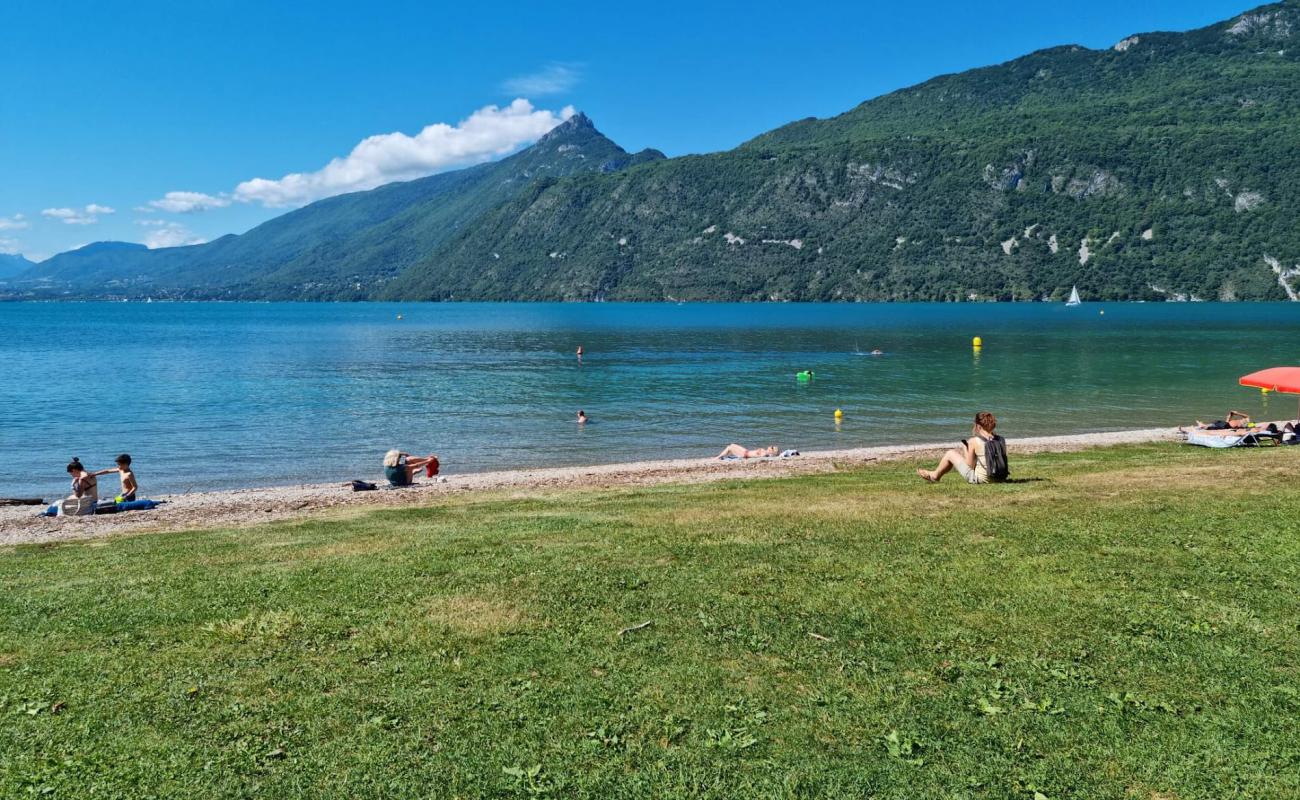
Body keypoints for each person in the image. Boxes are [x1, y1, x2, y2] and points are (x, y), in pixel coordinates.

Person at [918, 411, 1003, 484]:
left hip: (982, 480)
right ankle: (935, 475)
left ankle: (934, 476)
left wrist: (965, 449)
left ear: (978, 426)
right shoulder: (1000, 439)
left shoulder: (974, 441)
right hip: (1000, 478)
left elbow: (969, 466)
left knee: (950, 453)